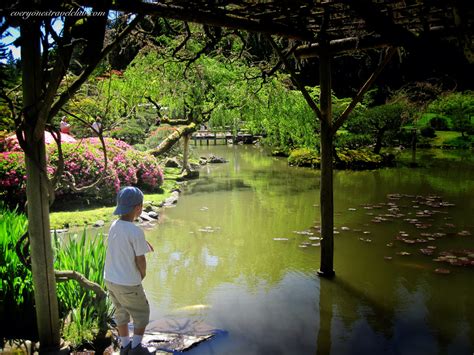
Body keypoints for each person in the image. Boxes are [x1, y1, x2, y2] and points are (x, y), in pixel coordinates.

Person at [104, 186, 153, 354]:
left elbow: (121, 245)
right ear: (138, 208)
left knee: (121, 312)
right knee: (142, 313)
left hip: (110, 280)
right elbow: (141, 260)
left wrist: (144, 244)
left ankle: (125, 346)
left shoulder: (114, 225)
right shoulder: (136, 231)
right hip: (128, 283)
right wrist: (142, 275)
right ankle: (136, 347)